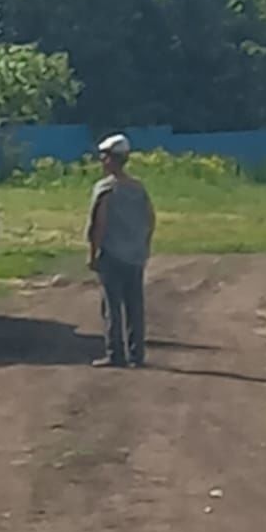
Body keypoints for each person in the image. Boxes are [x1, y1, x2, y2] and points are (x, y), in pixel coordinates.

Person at [86, 133, 156, 368]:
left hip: (112, 255)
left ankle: (115, 353)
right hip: (135, 255)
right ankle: (137, 354)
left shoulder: (105, 188)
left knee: (112, 306)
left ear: (110, 160)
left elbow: (100, 224)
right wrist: (143, 244)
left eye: (103, 157)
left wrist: (93, 253)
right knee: (135, 305)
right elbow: (150, 219)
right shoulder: (138, 188)